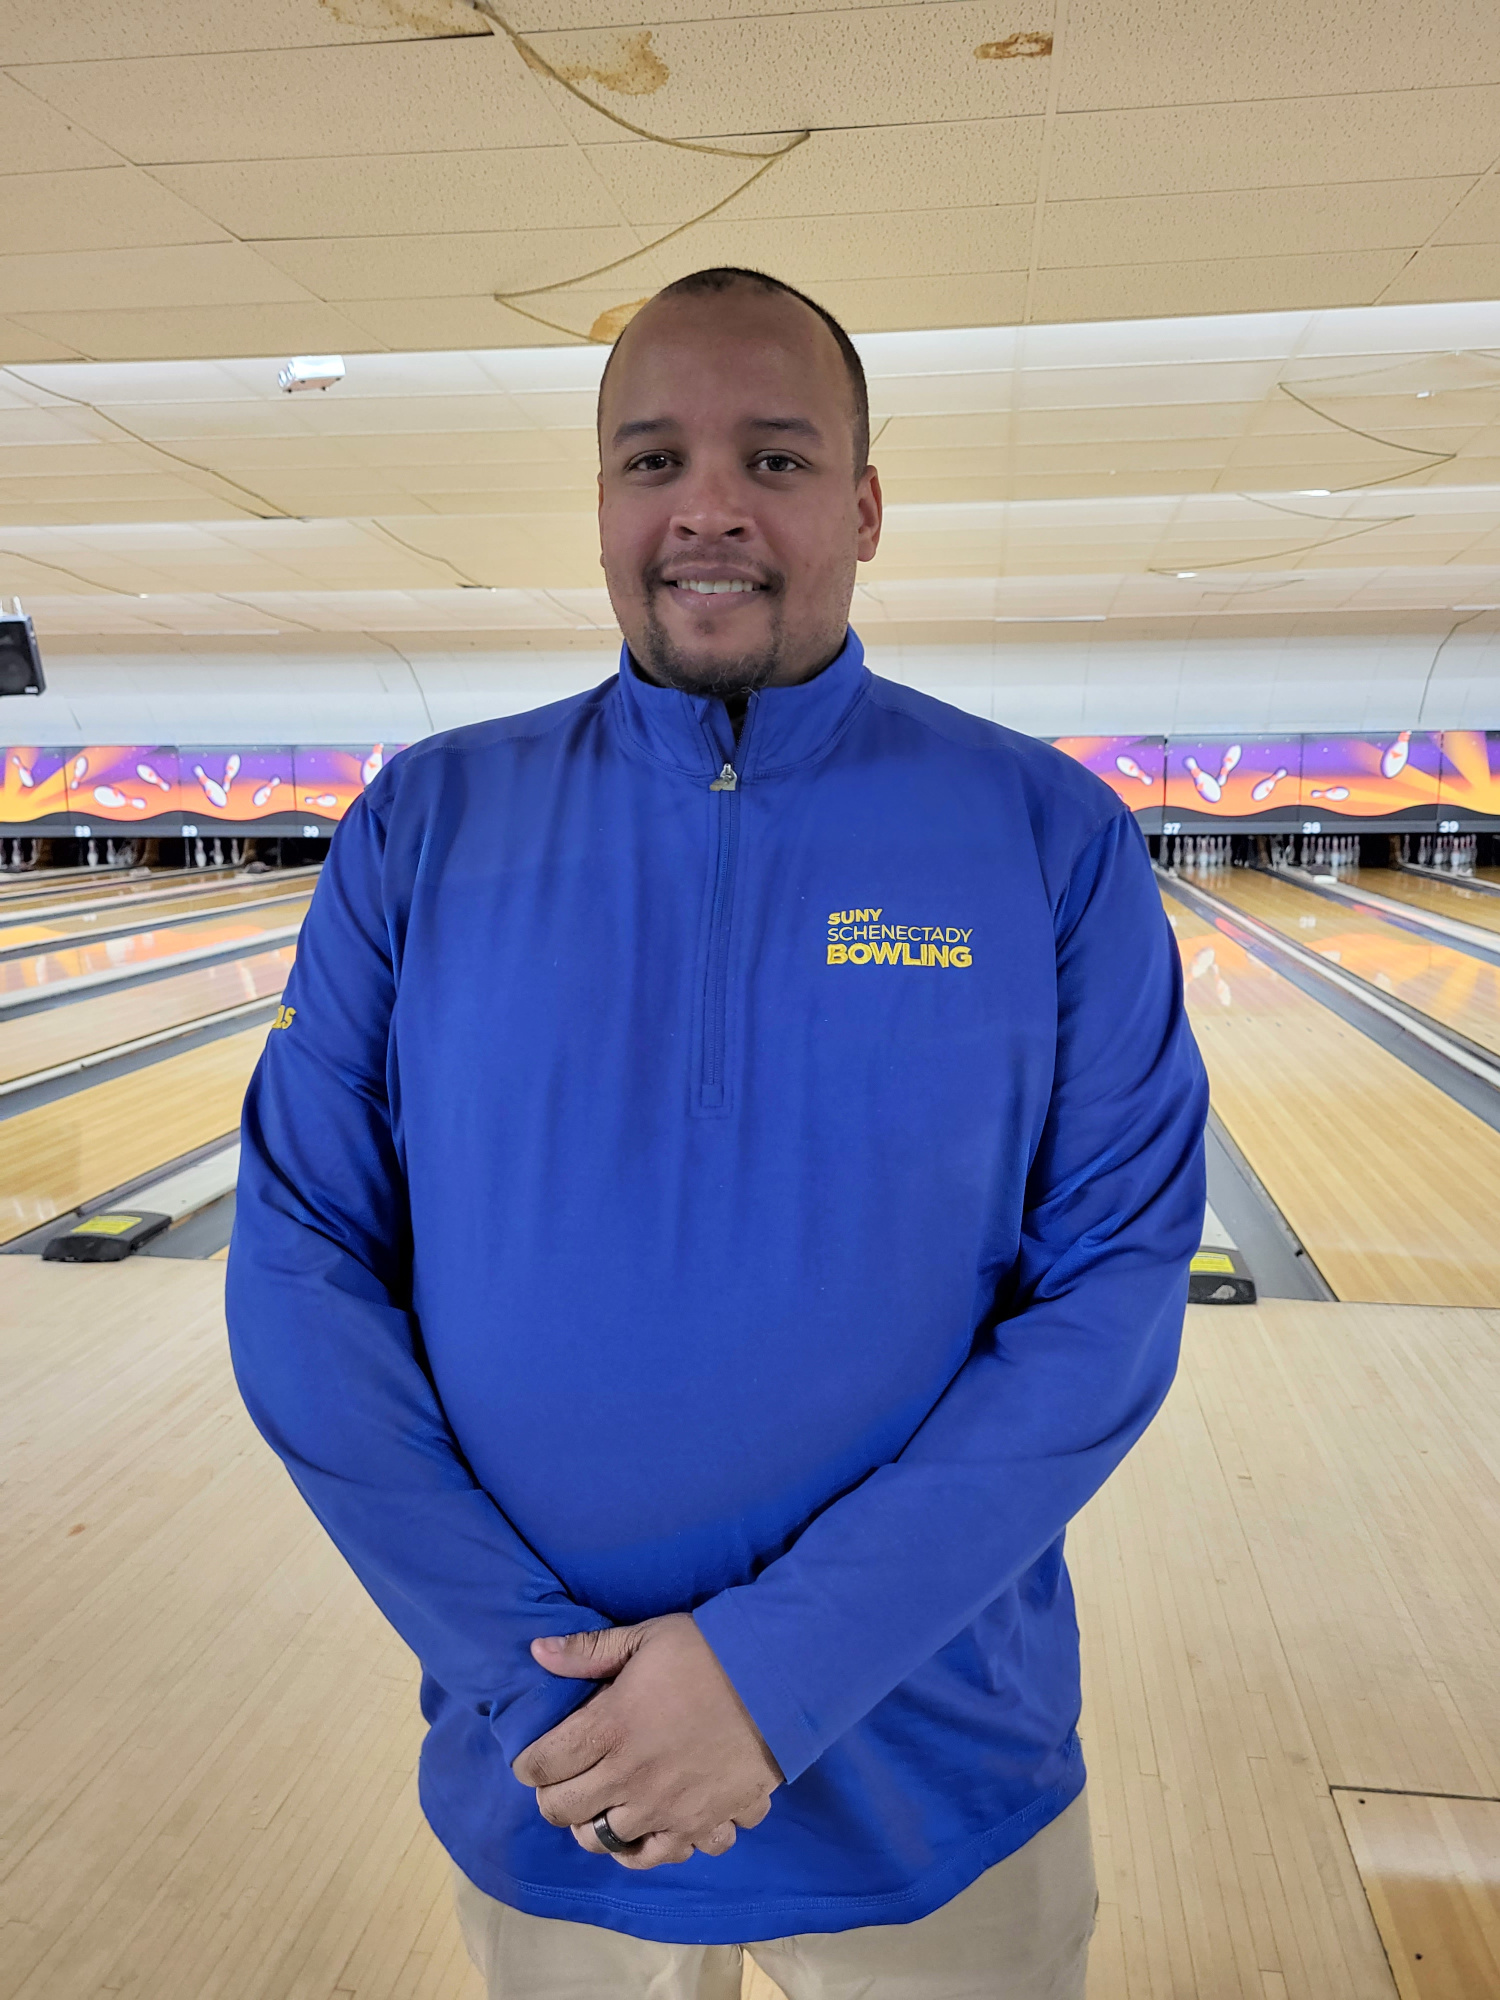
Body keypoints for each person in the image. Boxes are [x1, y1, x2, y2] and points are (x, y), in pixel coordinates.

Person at [227, 266, 1208, 1998]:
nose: (707, 509)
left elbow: (1115, 1295)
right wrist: (552, 1702)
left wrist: (777, 1675)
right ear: (600, 500)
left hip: (938, 1775)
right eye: (651, 457)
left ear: (867, 504)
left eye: (773, 457)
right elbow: (302, 1274)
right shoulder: (426, 824)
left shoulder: (1046, 834)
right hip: (552, 1778)